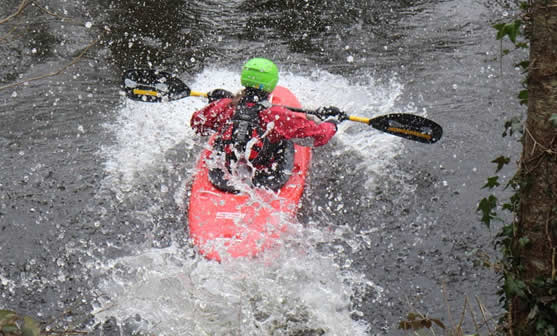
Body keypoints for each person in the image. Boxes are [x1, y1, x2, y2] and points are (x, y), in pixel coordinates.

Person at [190, 57, 341, 191]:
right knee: (283, 138)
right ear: (271, 84)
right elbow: (319, 136)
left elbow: (198, 124)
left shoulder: (225, 106)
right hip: (265, 178)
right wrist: (332, 122)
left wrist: (215, 102)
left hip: (224, 176)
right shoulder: (277, 116)